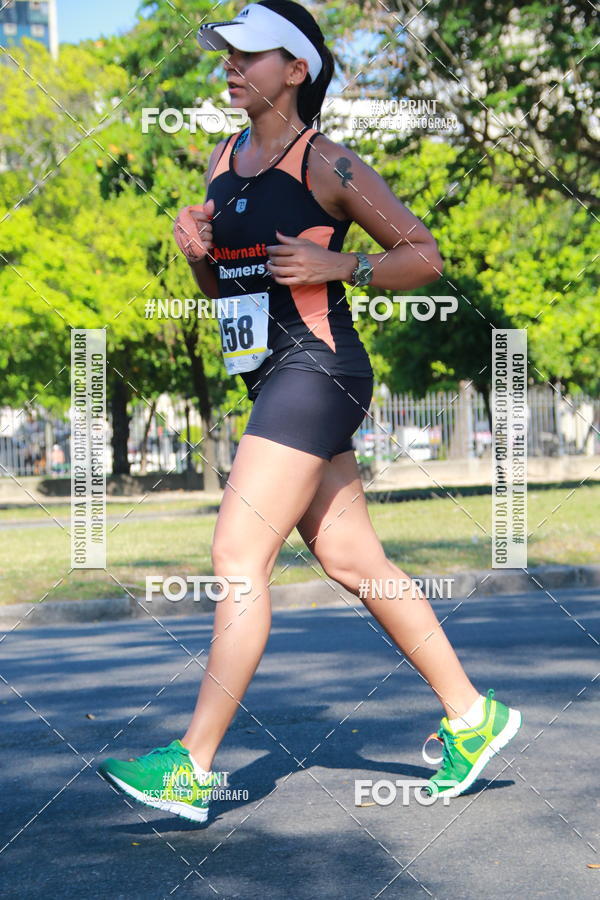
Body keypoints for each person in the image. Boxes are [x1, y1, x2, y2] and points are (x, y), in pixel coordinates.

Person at [98, 0, 521, 822]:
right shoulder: (223, 162)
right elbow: (232, 295)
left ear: (296, 69)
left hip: (320, 371)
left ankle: (191, 765)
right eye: (226, 52)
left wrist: (341, 261)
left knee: (235, 554)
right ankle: (474, 716)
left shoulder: (327, 163)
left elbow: (424, 254)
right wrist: (197, 260)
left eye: (249, 54)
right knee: (354, 561)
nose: (230, 64)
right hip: (272, 377)